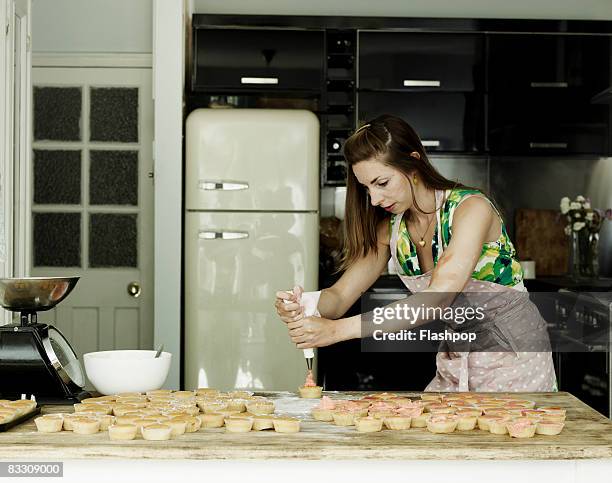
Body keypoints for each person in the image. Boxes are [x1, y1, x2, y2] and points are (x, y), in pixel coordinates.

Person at [275, 114, 557, 392]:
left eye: (382, 183)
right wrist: (305, 304)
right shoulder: (392, 231)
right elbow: (338, 298)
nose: (374, 199)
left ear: (413, 163)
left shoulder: (471, 209)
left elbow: (437, 299)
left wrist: (336, 331)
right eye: (366, 188)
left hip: (515, 355)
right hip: (457, 356)